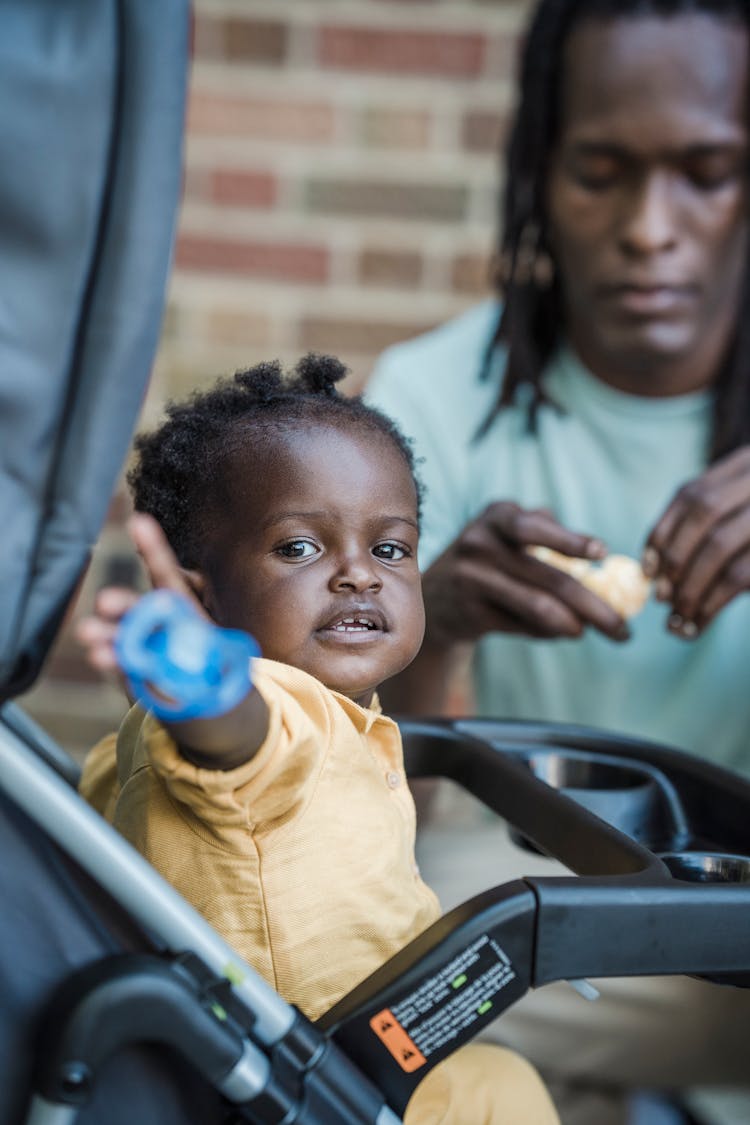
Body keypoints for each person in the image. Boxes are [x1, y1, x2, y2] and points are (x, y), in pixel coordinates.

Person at [365, 1, 750, 1122]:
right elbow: (361, 810)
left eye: (709, 173)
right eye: (600, 170)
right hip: (552, 918)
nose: (648, 226)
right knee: (338, 938)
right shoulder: (433, 400)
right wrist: (429, 619)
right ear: (539, 169)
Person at [76, 354, 560, 1125]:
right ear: (203, 595)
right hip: (311, 1084)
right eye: (300, 547)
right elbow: (241, 740)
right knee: (504, 1093)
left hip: (288, 1058)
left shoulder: (157, 738)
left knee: (498, 1073)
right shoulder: (272, 702)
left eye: (392, 548)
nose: (359, 576)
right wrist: (204, 684)